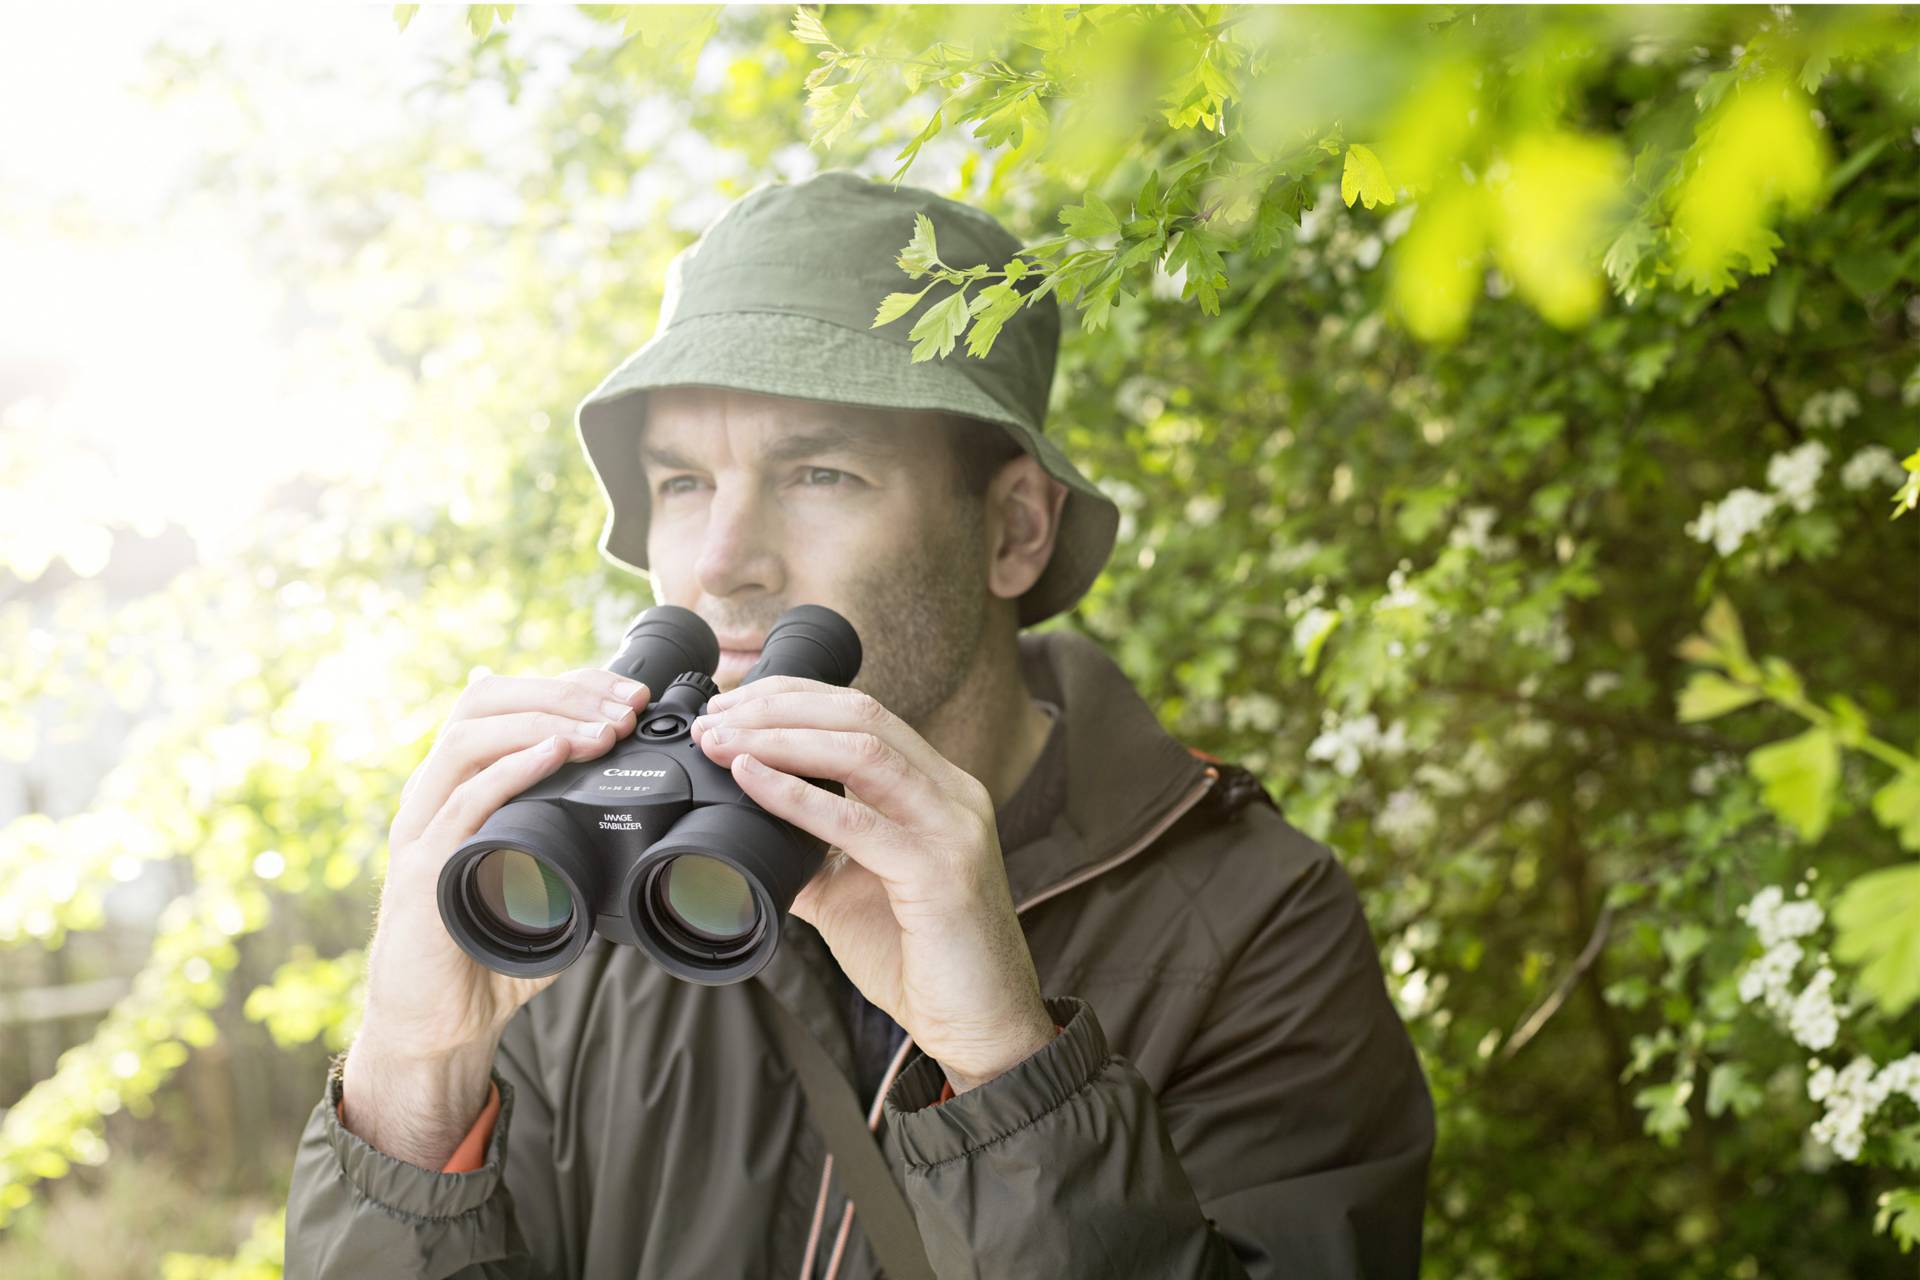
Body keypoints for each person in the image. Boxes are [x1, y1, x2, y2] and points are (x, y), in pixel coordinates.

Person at [284, 170, 1434, 1279]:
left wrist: (1007, 1066)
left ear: (1014, 530)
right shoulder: (576, 899)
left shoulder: (1250, 918)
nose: (723, 563)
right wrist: (413, 1087)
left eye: (819, 473)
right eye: (683, 483)